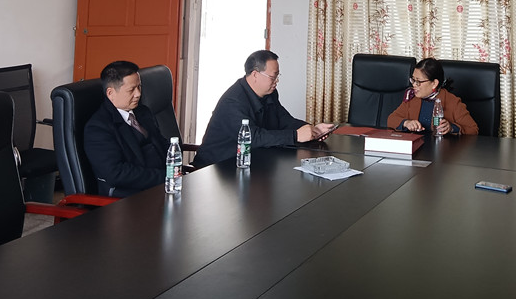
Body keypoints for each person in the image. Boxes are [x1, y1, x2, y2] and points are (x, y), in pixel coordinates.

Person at [192, 50, 333, 168]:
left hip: (248, 162)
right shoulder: (233, 101)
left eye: (277, 76)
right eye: (273, 77)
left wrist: (311, 130)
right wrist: (295, 136)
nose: (276, 81)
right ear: (255, 74)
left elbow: (283, 119)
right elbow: (253, 137)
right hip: (216, 168)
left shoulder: (270, 93)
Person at [84, 60, 169, 197]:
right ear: (110, 93)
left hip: (161, 185)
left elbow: (162, 143)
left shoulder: (143, 112)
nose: (138, 94)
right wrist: (164, 177)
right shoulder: (98, 128)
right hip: (129, 196)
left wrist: (175, 171)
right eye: (131, 90)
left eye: (139, 87)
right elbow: (116, 173)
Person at [386, 57, 479, 135]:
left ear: (434, 83)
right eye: (413, 80)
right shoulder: (411, 97)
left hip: (441, 149)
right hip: (416, 146)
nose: (414, 85)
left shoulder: (452, 101)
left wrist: (452, 128)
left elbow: (473, 129)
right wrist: (406, 123)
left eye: (418, 81)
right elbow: (391, 119)